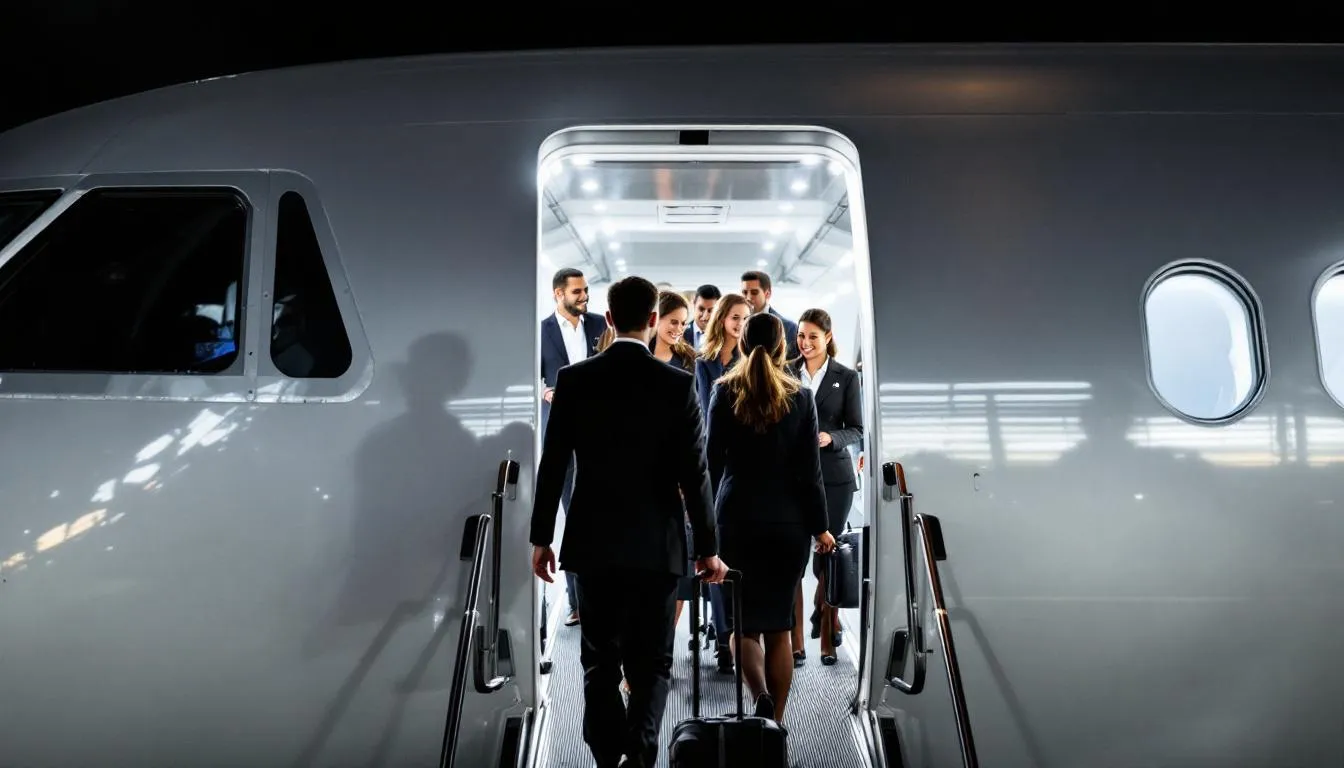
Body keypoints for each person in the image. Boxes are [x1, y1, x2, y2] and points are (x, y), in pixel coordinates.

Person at [530, 275, 728, 768]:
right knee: (653, 661)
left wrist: (541, 538)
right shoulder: (678, 384)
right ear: (655, 321)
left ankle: (605, 757)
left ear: (611, 319)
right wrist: (708, 547)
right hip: (657, 544)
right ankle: (639, 754)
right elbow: (695, 472)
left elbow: (553, 463)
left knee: (598, 661)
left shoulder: (575, 380)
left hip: (593, 543)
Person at [705, 312, 835, 724]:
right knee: (780, 628)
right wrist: (821, 527)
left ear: (742, 343)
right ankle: (774, 726)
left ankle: (758, 695)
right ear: (784, 346)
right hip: (788, 523)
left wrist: (701, 524)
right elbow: (809, 473)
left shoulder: (724, 391)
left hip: (736, 519)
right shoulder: (801, 397)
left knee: (742, 628)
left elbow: (709, 464)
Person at [792, 308, 864, 665]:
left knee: (827, 560)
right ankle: (796, 643)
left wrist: (829, 438)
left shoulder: (846, 377)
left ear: (828, 337)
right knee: (794, 560)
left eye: (813, 337)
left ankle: (826, 633)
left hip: (834, 479)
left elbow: (857, 429)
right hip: (792, 477)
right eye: (802, 336)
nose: (805, 343)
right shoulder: (787, 372)